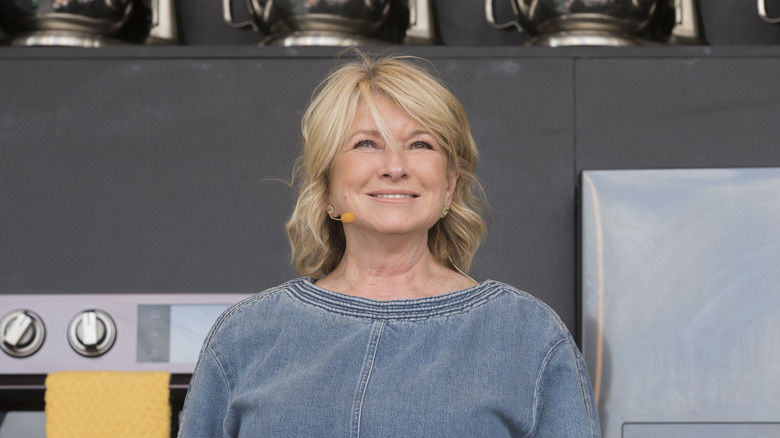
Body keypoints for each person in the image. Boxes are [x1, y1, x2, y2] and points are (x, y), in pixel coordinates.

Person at [178, 50, 601, 437]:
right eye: (366, 144)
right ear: (327, 185)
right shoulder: (245, 336)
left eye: (420, 144)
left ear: (449, 186)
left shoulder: (528, 336)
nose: (395, 167)